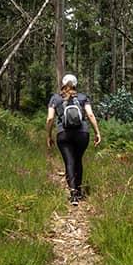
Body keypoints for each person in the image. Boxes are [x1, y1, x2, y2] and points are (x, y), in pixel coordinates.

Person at [46, 74, 101, 206]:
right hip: (82, 133)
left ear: (63, 83)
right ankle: (79, 190)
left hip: (63, 134)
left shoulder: (55, 98)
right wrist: (97, 132)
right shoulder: (83, 97)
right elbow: (90, 114)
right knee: (78, 160)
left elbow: (50, 119)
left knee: (69, 162)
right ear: (76, 84)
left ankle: (73, 194)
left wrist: (48, 135)